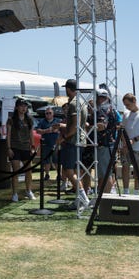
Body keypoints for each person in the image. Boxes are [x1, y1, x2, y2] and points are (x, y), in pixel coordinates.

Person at [55, 79, 90, 214]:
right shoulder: (82, 102)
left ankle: (84, 198)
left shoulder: (74, 104)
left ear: (68, 89)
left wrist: (64, 137)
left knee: (69, 171)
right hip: (79, 141)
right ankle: (78, 199)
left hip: (73, 142)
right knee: (74, 172)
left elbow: (75, 126)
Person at [7, 98, 37, 202]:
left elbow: (31, 134)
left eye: (25, 106)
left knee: (28, 171)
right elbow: (8, 135)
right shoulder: (11, 119)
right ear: (16, 107)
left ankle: (28, 190)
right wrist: (9, 148)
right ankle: (14, 193)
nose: (23, 108)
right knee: (15, 172)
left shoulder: (29, 119)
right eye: (21, 106)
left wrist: (32, 147)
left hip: (26, 148)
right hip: (15, 148)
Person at [94, 89, 121, 195]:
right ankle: (102, 198)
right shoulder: (112, 109)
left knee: (105, 174)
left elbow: (101, 126)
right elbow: (118, 124)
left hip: (104, 144)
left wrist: (88, 128)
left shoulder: (103, 109)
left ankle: (105, 199)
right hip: (110, 144)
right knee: (105, 173)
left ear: (99, 97)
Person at [36, 106, 61, 181]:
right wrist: (46, 131)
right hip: (45, 144)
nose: (48, 114)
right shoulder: (42, 121)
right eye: (47, 113)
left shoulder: (58, 121)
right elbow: (38, 130)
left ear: (53, 114)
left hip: (56, 144)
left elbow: (63, 130)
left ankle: (59, 175)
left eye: (50, 113)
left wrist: (57, 131)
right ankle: (47, 174)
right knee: (46, 161)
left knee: (56, 160)